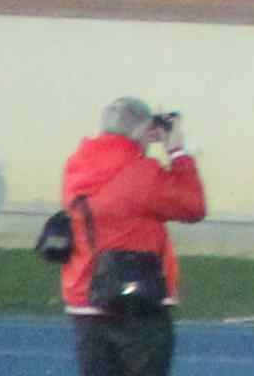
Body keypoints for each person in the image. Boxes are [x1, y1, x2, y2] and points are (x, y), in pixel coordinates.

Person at [53, 96, 205, 376]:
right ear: (143, 131)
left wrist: (141, 138)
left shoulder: (76, 167)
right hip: (137, 300)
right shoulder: (143, 173)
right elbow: (193, 206)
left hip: (85, 298)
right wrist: (177, 152)